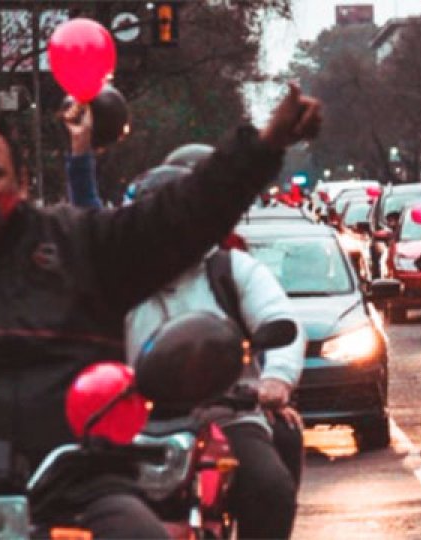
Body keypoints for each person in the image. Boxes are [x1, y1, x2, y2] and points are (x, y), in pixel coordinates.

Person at [0, 84, 321, 537]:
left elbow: (180, 217)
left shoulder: (79, 244)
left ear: (21, 182)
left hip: (77, 480)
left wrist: (263, 145)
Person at [62, 114, 306, 538]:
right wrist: (80, 154)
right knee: (73, 500)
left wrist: (277, 380)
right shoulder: (115, 276)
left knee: (270, 488)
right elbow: (84, 223)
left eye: (177, 223)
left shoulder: (232, 270)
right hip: (131, 421)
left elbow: (281, 321)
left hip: (224, 417)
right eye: (153, 223)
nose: (166, 235)